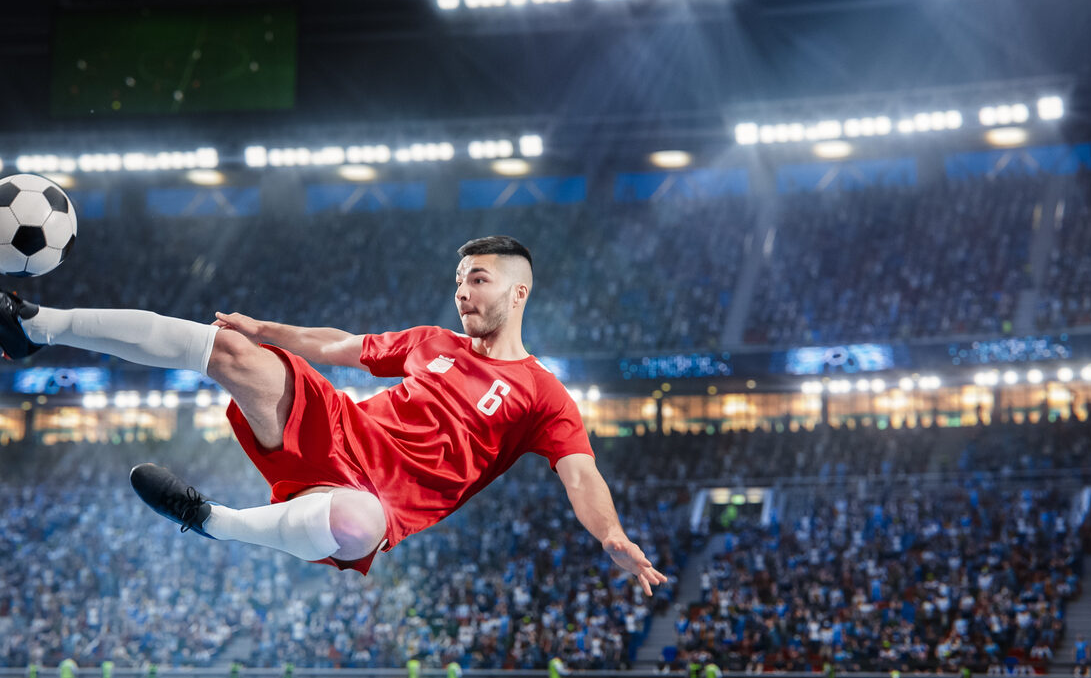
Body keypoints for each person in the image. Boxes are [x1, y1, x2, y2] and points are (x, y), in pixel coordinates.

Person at [0, 236, 666, 593]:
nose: (462, 291)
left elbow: (581, 476)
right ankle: (36, 325)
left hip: (381, 499)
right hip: (342, 425)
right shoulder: (429, 343)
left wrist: (611, 537)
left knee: (354, 521)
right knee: (233, 350)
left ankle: (214, 523)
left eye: (479, 280)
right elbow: (339, 346)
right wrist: (269, 329)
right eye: (459, 280)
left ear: (518, 292)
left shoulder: (545, 395)